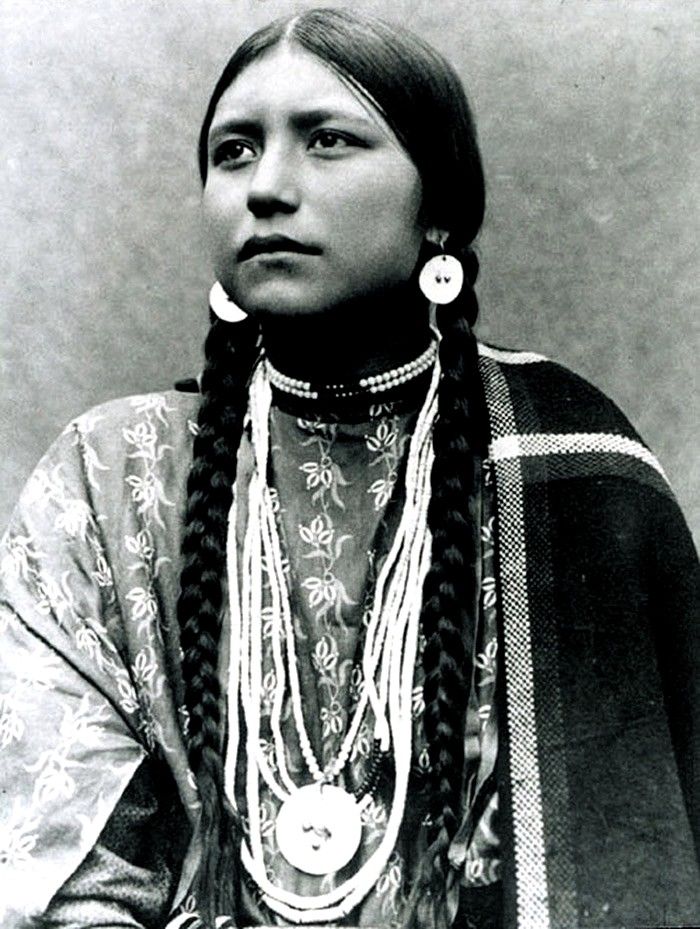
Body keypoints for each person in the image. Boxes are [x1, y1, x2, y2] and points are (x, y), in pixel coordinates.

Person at [0, 8, 697, 929]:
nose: (268, 188)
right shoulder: (113, 475)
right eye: (235, 151)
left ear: (439, 208)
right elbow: (69, 867)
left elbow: (633, 844)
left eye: (329, 141)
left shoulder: (571, 462)